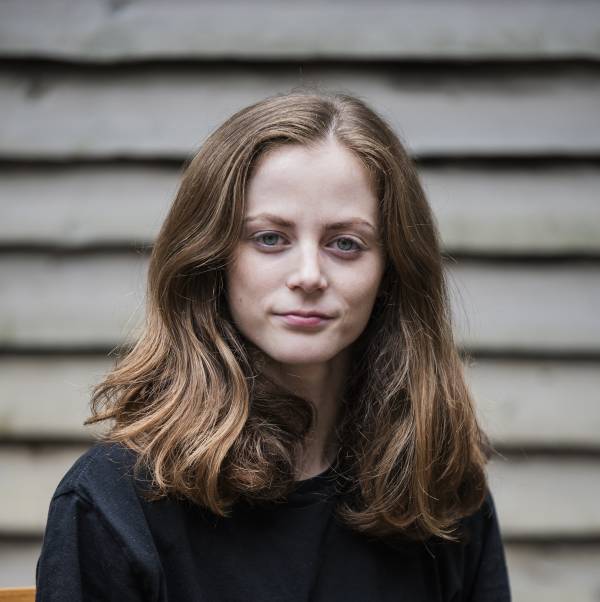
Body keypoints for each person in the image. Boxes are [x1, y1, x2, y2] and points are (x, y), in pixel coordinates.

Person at [36, 90, 511, 601]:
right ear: (211, 258)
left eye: (345, 243)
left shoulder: (436, 485)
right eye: (270, 239)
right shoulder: (113, 500)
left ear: (391, 271)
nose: (309, 275)